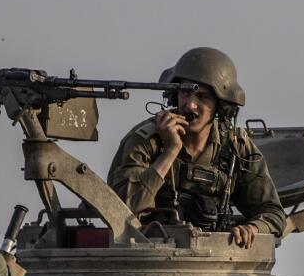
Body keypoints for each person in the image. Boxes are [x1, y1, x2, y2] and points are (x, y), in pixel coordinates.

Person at [108, 47, 285, 248]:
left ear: (221, 105)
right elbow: (121, 209)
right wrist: (170, 151)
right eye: (185, 93)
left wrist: (253, 228)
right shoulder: (147, 140)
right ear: (175, 95)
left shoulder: (237, 148)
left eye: (202, 97)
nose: (190, 105)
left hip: (213, 262)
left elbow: (274, 213)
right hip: (147, 256)